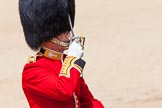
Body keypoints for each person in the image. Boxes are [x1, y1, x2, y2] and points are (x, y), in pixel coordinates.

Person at [19, 0, 104, 108]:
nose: (69, 34)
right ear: (49, 35)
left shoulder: (66, 62)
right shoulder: (33, 71)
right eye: (64, 30)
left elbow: (88, 101)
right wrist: (72, 59)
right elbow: (63, 91)